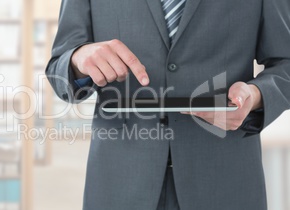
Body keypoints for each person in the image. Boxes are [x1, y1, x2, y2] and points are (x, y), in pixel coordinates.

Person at [45, 0, 290, 209]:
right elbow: (60, 68)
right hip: (120, 182)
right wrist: (79, 59)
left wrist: (255, 94)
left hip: (226, 182)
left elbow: (286, 64)